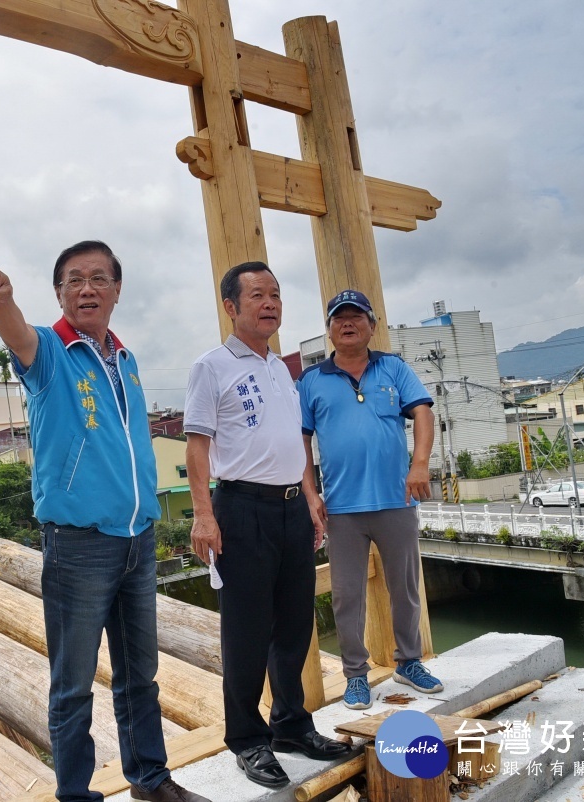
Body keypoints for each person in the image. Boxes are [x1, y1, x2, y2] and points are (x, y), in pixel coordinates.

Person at [0, 242, 210, 802]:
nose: (87, 289)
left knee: (139, 676)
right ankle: (75, 794)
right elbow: (18, 337)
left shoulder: (124, 359)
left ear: (117, 290)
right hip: (79, 543)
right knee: (73, 683)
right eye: (74, 280)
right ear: (58, 293)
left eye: (99, 278)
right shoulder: (51, 351)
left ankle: (150, 779)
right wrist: (1, 301)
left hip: (137, 538)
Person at [184, 262, 350, 790]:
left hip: (289, 509)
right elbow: (196, 446)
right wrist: (204, 515)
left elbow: (291, 444)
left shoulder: (282, 369)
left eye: (275, 294)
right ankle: (248, 739)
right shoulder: (211, 367)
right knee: (247, 631)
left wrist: (309, 497)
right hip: (241, 508)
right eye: (257, 295)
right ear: (231, 307)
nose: (269, 303)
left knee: (296, 623)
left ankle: (291, 725)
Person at [297, 289, 443, 711]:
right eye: (339, 318)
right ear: (329, 330)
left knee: (405, 587)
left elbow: (423, 413)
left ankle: (409, 662)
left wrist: (419, 464)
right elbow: (300, 441)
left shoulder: (394, 368)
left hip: (396, 501)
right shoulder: (311, 381)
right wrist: (311, 493)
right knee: (346, 595)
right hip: (342, 508)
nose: (348, 323)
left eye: (356, 317)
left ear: (372, 325)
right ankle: (356, 675)